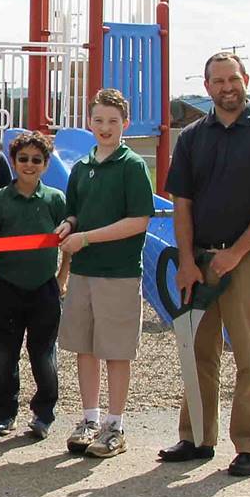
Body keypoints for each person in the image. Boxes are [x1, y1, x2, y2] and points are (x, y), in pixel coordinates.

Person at [157, 51, 250, 479]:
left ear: (246, 80)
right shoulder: (193, 138)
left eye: (232, 79)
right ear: (207, 88)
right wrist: (186, 259)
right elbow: (182, 202)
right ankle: (198, 437)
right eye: (217, 82)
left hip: (248, 260)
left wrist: (236, 252)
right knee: (198, 352)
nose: (226, 88)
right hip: (199, 261)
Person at [56, 88, 154, 460]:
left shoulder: (131, 166)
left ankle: (115, 424)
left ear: (125, 124)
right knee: (85, 347)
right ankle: (89, 419)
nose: (105, 127)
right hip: (84, 271)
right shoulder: (82, 167)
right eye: (98, 120)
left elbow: (138, 220)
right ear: (89, 123)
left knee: (115, 351)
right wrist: (68, 226)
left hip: (119, 272)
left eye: (113, 121)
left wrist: (87, 238)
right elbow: (75, 211)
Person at [0, 131, 72, 438]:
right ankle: (4, 413)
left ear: (46, 164)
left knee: (43, 354)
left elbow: (68, 242)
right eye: (23, 159)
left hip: (44, 288)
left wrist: (62, 278)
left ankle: (44, 413)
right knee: (1, 355)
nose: (29, 165)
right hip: (4, 287)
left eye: (37, 160)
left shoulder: (54, 199)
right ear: (13, 161)